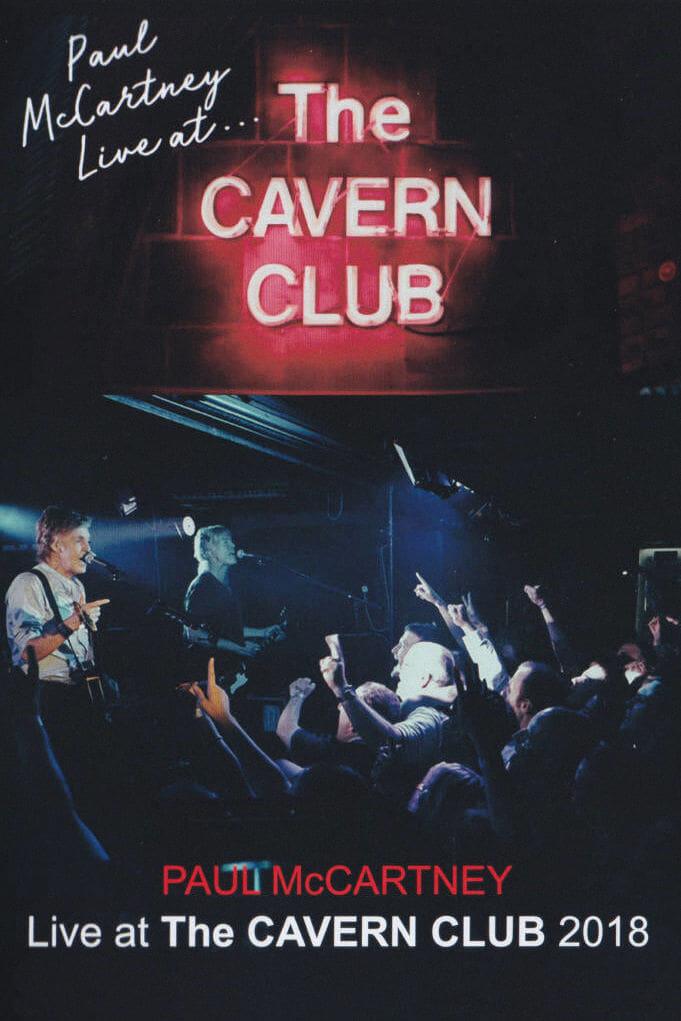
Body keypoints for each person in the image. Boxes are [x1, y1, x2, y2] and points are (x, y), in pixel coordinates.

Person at [5, 506, 111, 797]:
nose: (88, 548)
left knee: (86, 780)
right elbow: (26, 652)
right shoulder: (28, 584)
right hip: (47, 698)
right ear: (55, 543)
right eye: (80, 540)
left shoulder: (77, 587)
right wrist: (74, 622)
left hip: (78, 695)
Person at [183, 525, 283, 692]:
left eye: (231, 541)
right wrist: (239, 648)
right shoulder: (203, 586)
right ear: (208, 550)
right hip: (206, 679)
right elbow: (193, 635)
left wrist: (263, 632)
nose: (233, 546)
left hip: (223, 677)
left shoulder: (224, 585)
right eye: (225, 541)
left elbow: (225, 629)